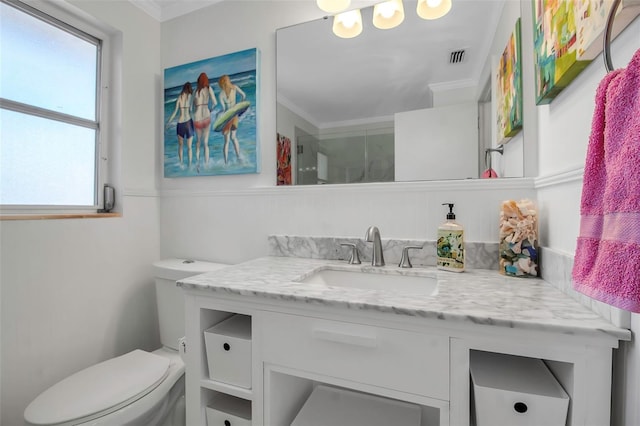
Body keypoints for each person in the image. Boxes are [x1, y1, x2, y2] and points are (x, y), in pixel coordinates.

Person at [218, 74, 246, 165]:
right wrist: (240, 106)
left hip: (227, 117)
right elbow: (243, 95)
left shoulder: (221, 94)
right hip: (234, 116)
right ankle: (239, 158)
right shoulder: (234, 88)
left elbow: (223, 108)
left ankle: (226, 162)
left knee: (226, 141)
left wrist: (219, 116)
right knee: (234, 138)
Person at [166, 82, 194, 167]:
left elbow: (175, 112)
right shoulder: (191, 97)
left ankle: (181, 163)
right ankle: (189, 165)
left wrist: (168, 122)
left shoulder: (179, 97)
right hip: (188, 122)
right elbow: (192, 110)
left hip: (180, 123)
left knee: (181, 146)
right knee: (189, 147)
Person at [193, 73, 217, 167]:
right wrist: (210, 109)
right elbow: (215, 102)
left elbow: (191, 107)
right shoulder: (209, 89)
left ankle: (198, 163)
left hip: (197, 118)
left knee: (198, 141)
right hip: (206, 116)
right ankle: (206, 164)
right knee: (206, 143)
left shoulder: (195, 91)